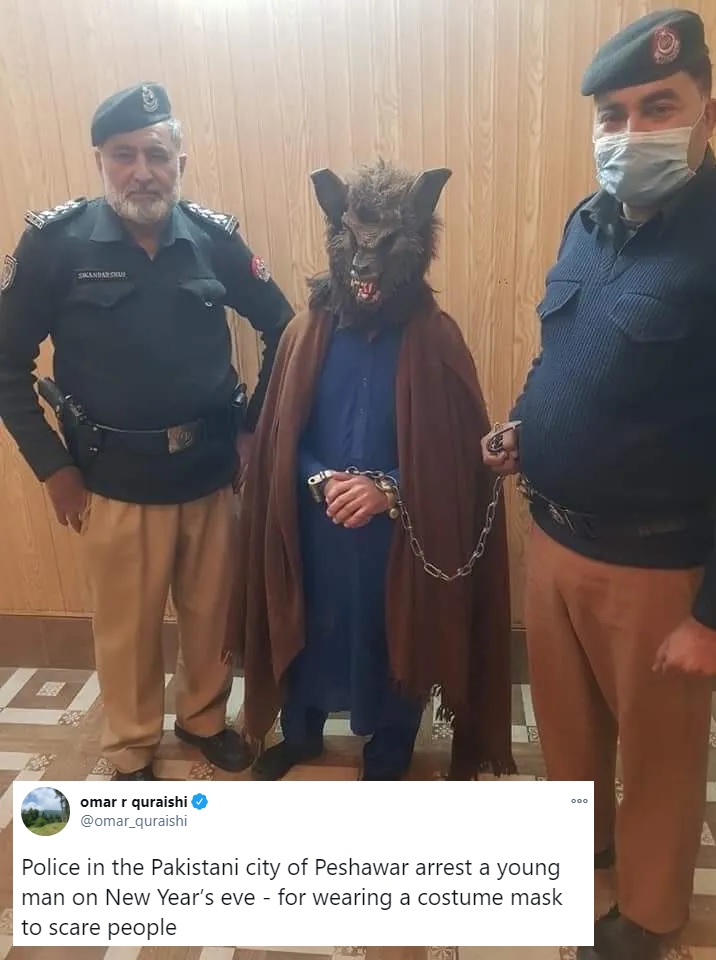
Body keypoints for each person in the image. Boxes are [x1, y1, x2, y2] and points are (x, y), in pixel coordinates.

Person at [482, 10, 716, 959]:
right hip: (554, 540)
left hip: (657, 569)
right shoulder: (588, 221)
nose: (631, 133)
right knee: (570, 740)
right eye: (612, 115)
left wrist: (712, 615)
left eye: (658, 107)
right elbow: (564, 353)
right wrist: (524, 425)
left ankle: (650, 917)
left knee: (659, 760)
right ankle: (585, 861)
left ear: (707, 112)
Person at [0, 83, 294, 781]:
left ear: (179, 162)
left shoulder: (215, 240)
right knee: (126, 629)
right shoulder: (55, 245)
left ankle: (202, 720)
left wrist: (252, 430)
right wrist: (54, 468)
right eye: (124, 155)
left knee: (210, 617)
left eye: (157, 155)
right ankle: (131, 743)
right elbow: (7, 363)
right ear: (100, 160)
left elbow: (283, 327)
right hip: (112, 482)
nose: (142, 172)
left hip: (209, 473)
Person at [233, 160, 515, 782]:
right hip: (314, 531)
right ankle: (300, 733)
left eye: (382, 246)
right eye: (356, 244)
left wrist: (390, 488)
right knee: (306, 625)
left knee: (395, 641)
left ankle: (388, 753)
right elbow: (282, 438)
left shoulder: (436, 339)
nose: (365, 264)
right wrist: (319, 479)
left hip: (399, 541)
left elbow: (457, 457)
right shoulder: (305, 333)